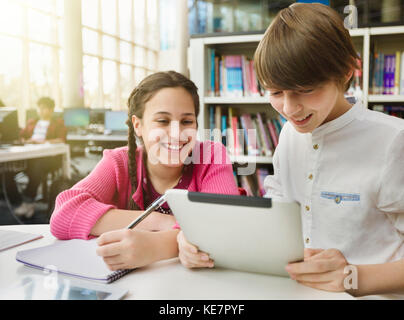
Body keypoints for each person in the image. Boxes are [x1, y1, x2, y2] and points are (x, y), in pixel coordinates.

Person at [183, 3, 404, 298]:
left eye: (306, 89)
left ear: (348, 70)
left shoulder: (392, 141)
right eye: (275, 92)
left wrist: (354, 278)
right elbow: (278, 216)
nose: (289, 109)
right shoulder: (289, 133)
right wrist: (200, 240)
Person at [50, 71, 239, 271]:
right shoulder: (118, 162)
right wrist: (161, 221)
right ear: (138, 125)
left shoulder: (211, 155)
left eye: (186, 122)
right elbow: (63, 215)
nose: (177, 133)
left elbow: (224, 223)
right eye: (163, 121)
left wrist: (158, 246)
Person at [7, 97, 67, 218]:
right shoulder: (32, 122)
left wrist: (43, 141)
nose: (41, 111)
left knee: (36, 167)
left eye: (44, 108)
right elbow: (21, 137)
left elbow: (61, 139)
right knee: (6, 170)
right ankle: (18, 201)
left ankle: (28, 203)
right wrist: (27, 140)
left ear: (51, 110)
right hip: (29, 155)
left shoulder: (58, 123)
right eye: (39, 108)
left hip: (48, 158)